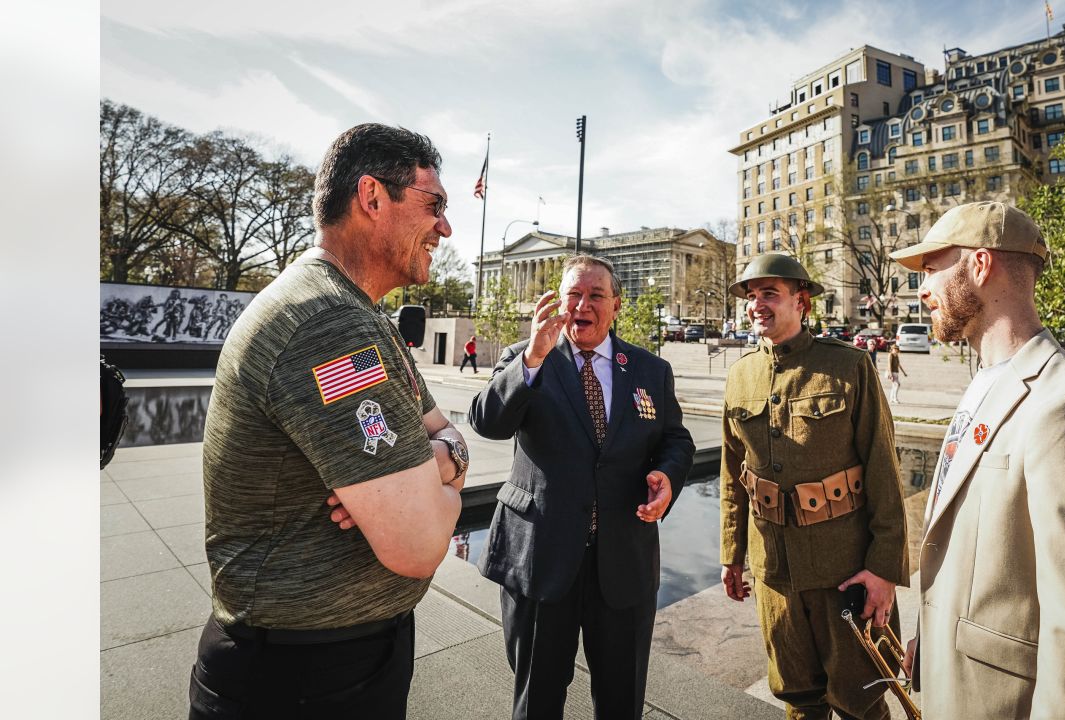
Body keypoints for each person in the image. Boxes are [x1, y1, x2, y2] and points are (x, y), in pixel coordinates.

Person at [190, 123, 469, 720]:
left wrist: (439, 459)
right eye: (434, 204)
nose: (446, 227)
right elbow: (420, 543)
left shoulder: (356, 314)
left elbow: (442, 427)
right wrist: (433, 472)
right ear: (371, 198)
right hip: (303, 677)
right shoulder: (328, 322)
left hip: (318, 660)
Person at [889, 201, 1065, 718]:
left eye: (932, 269)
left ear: (980, 266)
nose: (922, 289)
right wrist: (932, 634)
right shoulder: (989, 379)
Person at [469, 254, 695, 720]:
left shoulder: (650, 370)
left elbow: (676, 437)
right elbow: (487, 422)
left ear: (615, 304)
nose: (582, 304)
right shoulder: (527, 357)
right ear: (557, 301)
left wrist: (667, 477)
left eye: (595, 295)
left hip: (623, 562)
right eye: (574, 294)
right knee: (537, 698)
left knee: (621, 699)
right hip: (542, 558)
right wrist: (532, 357)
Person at [720, 253, 909, 720]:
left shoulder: (849, 367)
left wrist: (884, 570)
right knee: (797, 697)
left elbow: (884, 470)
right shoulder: (740, 374)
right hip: (775, 572)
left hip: (842, 570)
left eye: (770, 294)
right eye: (751, 295)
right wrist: (732, 554)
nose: (756, 304)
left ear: (801, 302)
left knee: (861, 699)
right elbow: (732, 474)